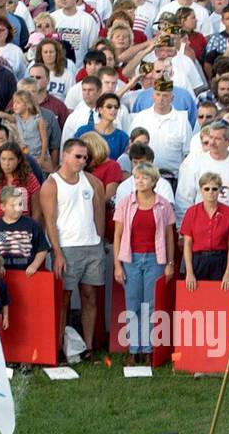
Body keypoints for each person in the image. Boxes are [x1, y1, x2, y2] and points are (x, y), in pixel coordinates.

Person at [42, 138, 107, 359]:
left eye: (85, 157)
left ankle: (88, 347)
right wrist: (57, 252)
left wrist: (99, 239)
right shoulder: (51, 184)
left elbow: (100, 212)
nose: (82, 161)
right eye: (78, 156)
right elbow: (49, 221)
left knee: (90, 296)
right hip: (67, 248)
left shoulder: (92, 182)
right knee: (63, 299)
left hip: (91, 246)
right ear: (65, 156)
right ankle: (59, 347)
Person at [113, 163, 176, 364]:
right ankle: (133, 349)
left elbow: (169, 237)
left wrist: (169, 263)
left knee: (150, 305)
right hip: (131, 258)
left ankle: (149, 349)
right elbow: (118, 235)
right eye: (137, 177)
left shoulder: (163, 205)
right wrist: (117, 264)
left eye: (144, 178)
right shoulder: (125, 203)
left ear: (153, 181)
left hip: (154, 259)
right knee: (132, 304)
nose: (140, 181)